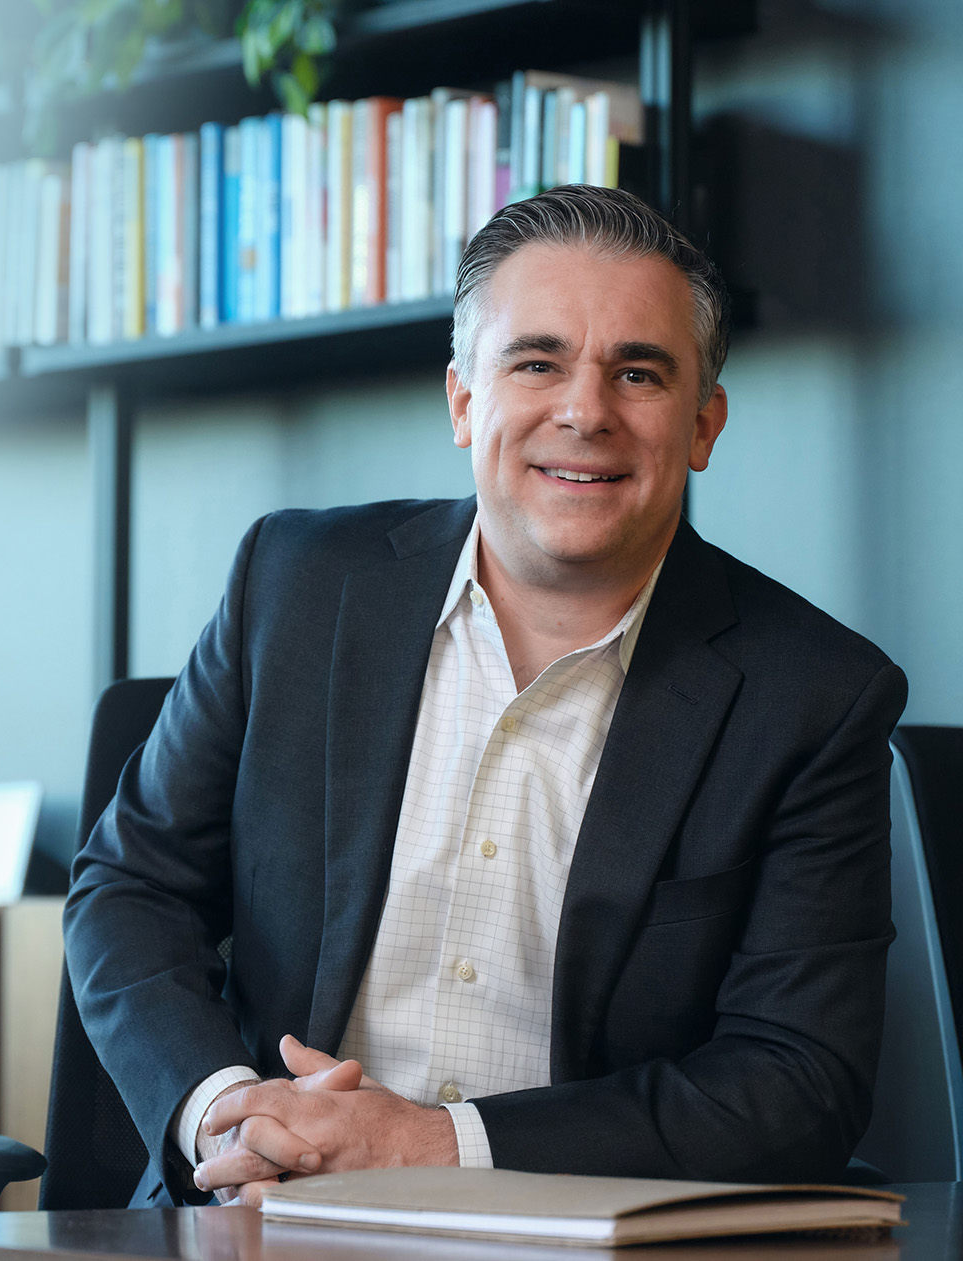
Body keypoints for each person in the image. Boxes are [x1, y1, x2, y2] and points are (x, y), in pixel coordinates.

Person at [62, 183, 908, 1209]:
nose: (582, 411)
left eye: (635, 372)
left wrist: (432, 1144)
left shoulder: (811, 695)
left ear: (700, 423)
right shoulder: (290, 585)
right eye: (535, 361)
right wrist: (224, 1108)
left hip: (578, 1234)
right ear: (463, 399)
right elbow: (129, 887)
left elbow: (797, 1080)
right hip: (259, 1211)